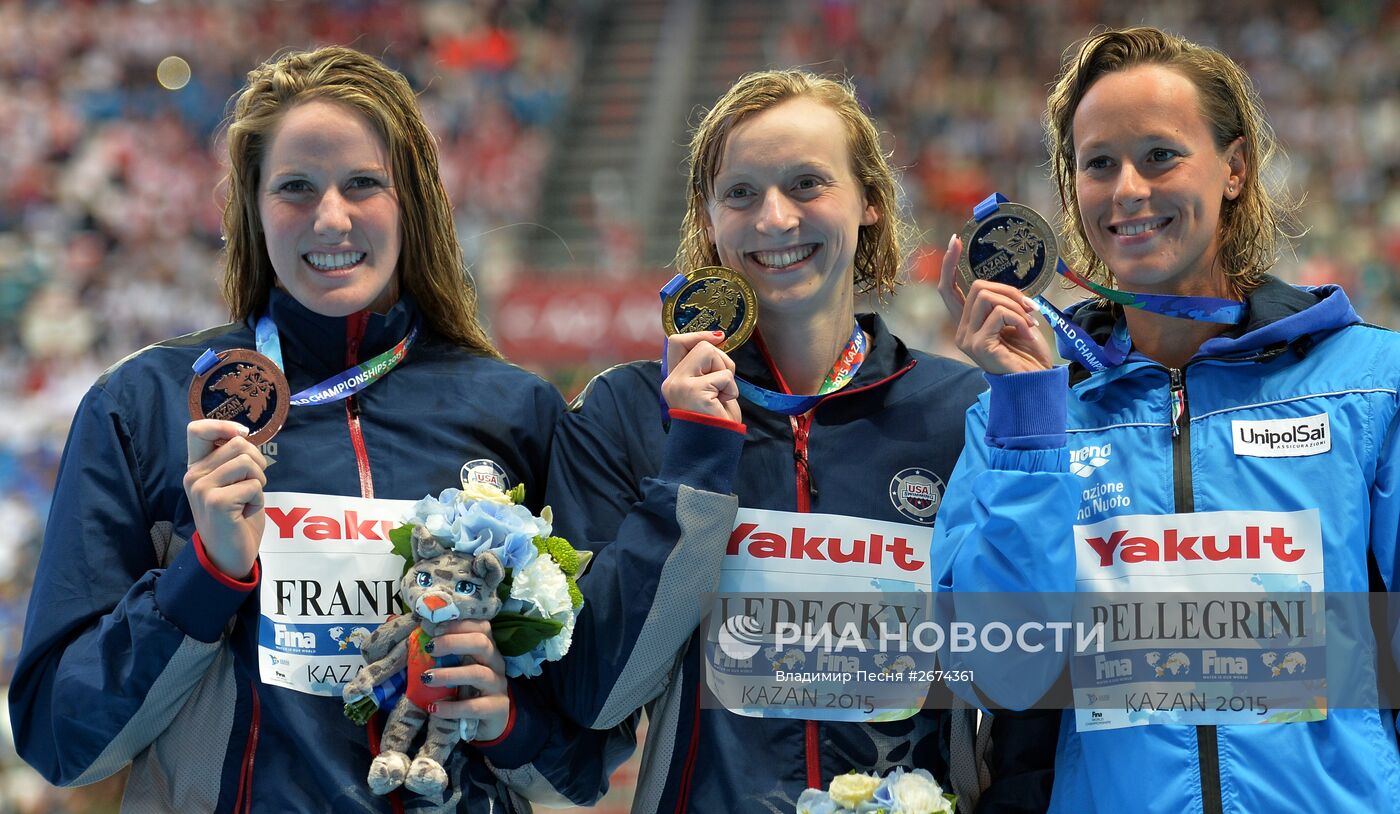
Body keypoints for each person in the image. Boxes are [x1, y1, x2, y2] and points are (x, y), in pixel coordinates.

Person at [8, 46, 629, 813]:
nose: (330, 217)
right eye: (295, 188)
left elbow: (586, 759)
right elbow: (58, 738)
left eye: (363, 184)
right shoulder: (146, 406)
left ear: (414, 202)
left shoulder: (516, 412)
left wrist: (506, 721)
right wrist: (203, 575)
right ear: (253, 207)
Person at [542, 69, 1055, 812]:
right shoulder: (631, 410)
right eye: (740, 193)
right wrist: (694, 465)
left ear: (870, 200)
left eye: (808, 184)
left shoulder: (958, 410)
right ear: (708, 218)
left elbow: (1017, 678)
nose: (774, 219)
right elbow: (594, 695)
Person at [932, 26, 1400, 811]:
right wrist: (1029, 420)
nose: (1128, 192)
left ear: (1235, 169)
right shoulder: (1018, 416)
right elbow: (1001, 676)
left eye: (1161, 156)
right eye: (1099, 164)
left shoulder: (1368, 385)